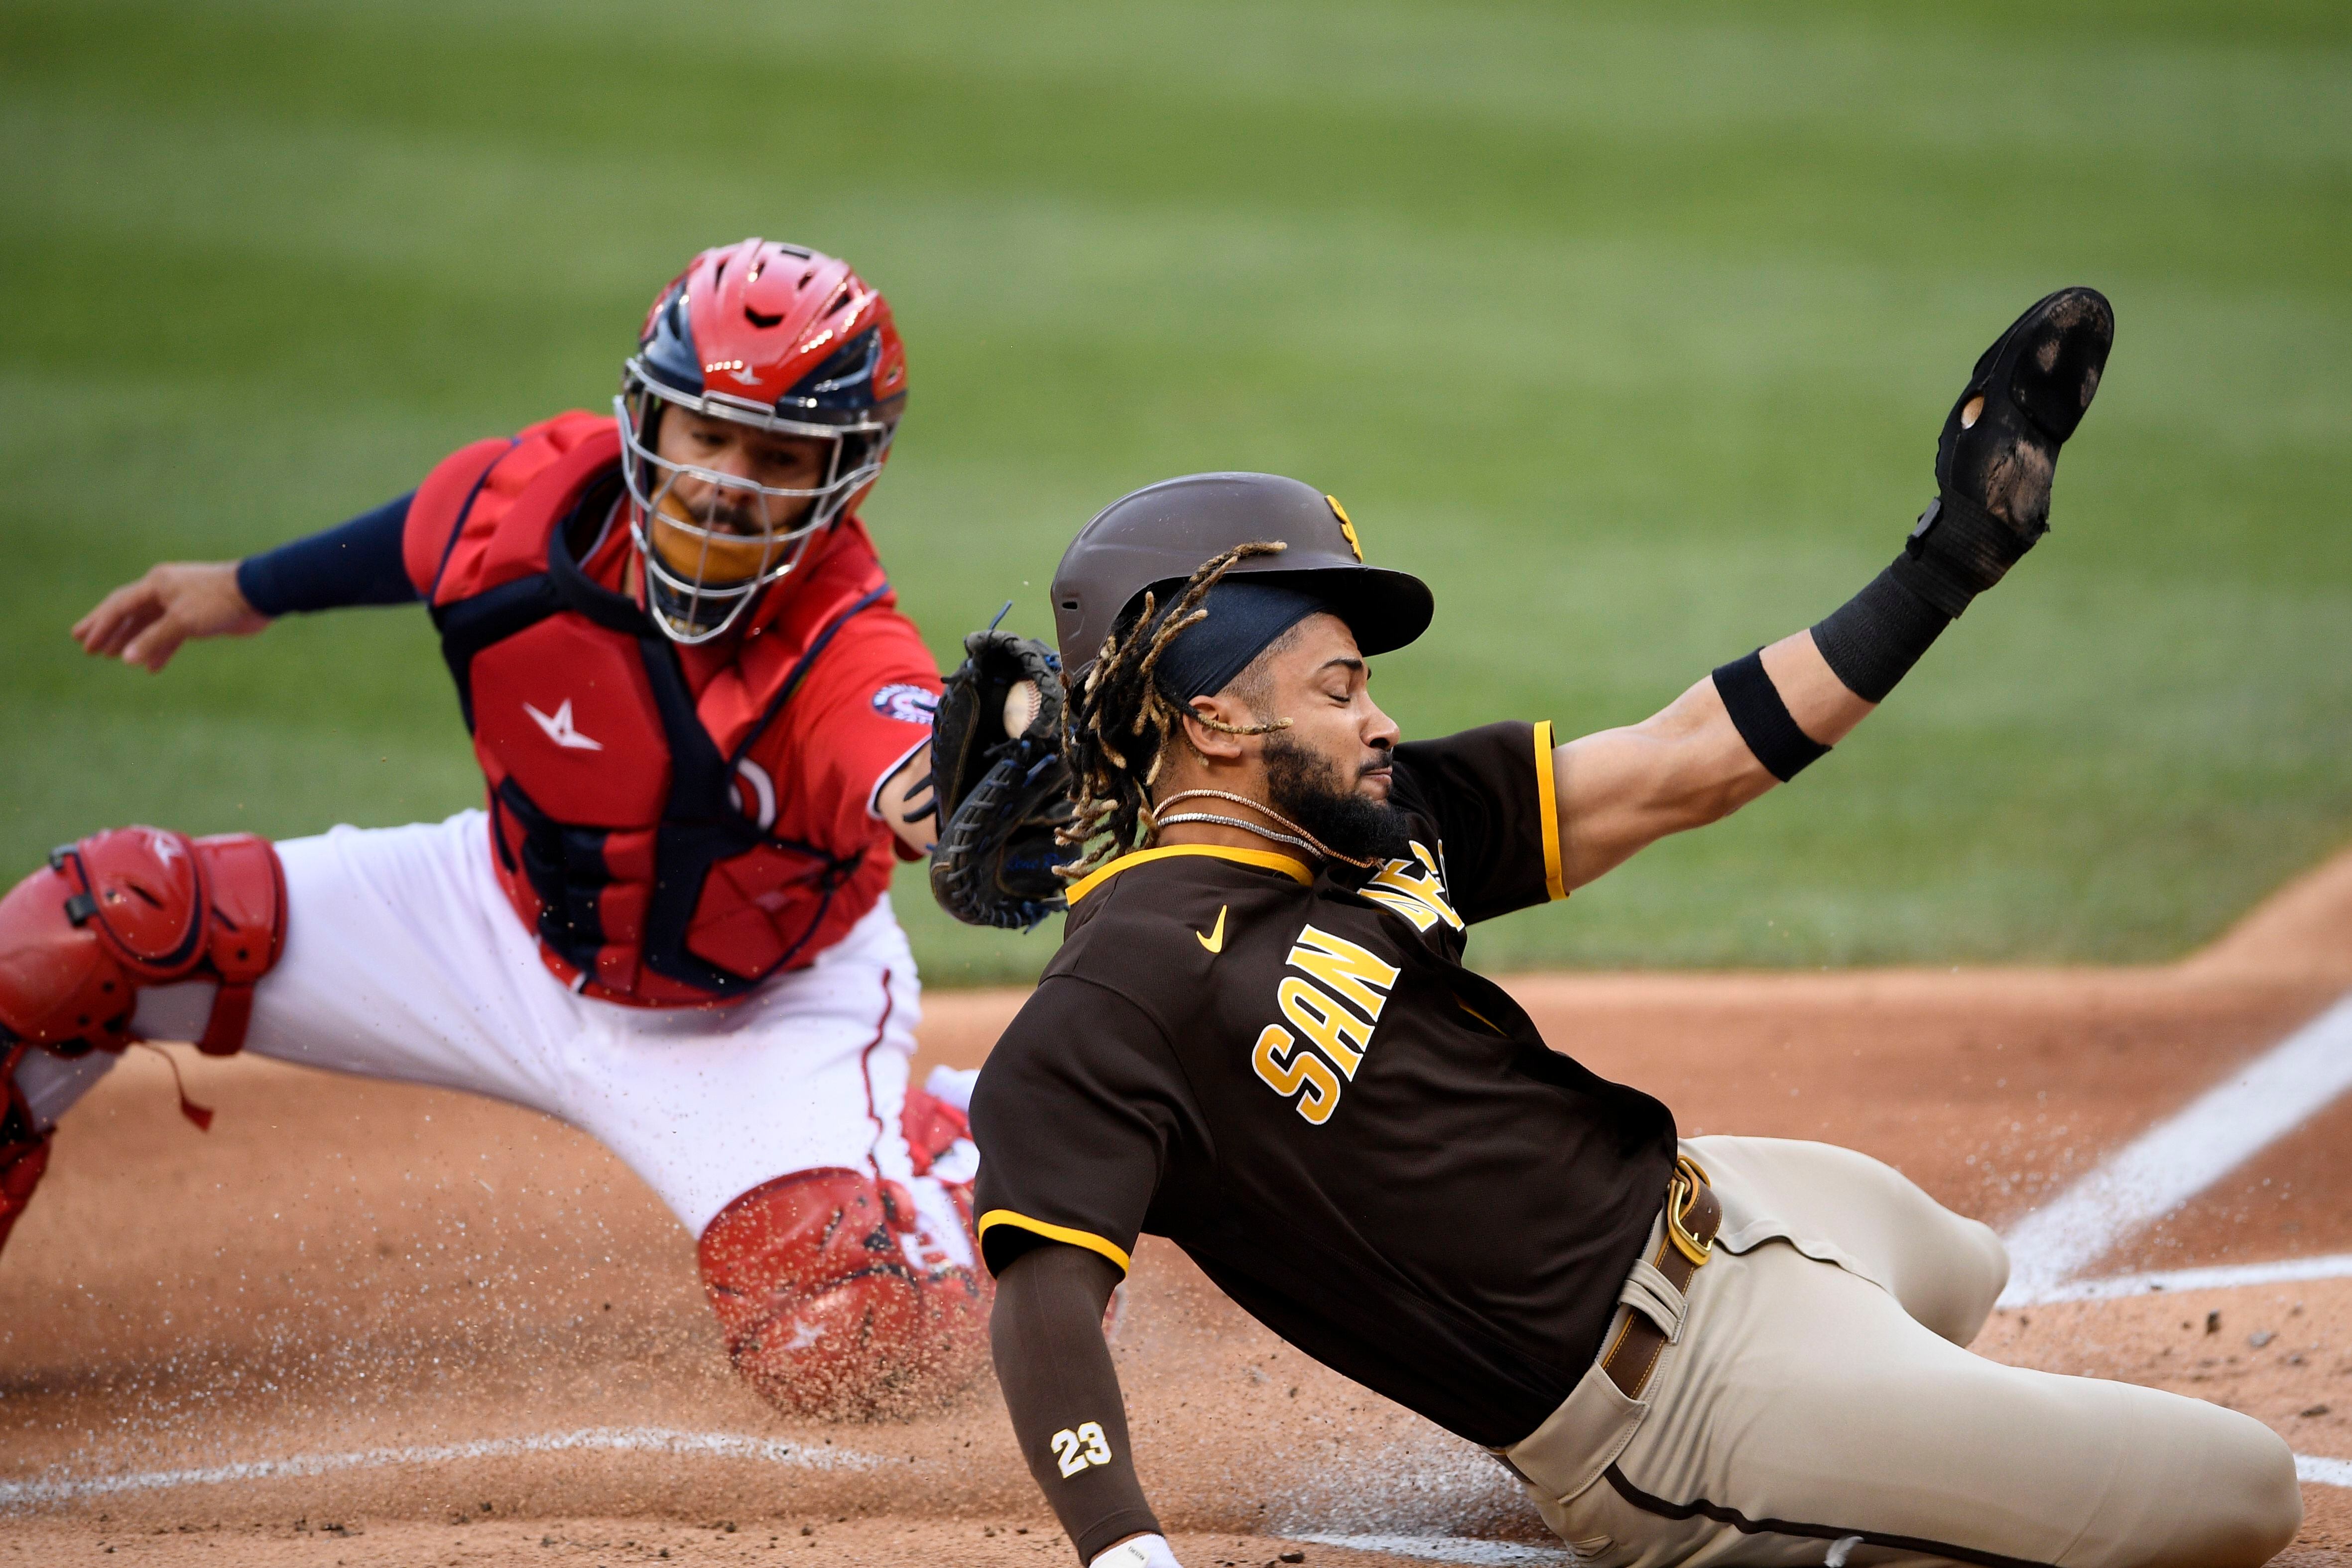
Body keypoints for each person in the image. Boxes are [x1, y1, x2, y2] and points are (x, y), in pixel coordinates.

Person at [972, 290, 2305, 1568]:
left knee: (1960, 1261)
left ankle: (1878, 1438)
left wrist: (1945, 564)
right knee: (2243, 1491)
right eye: (1338, 686)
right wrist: (1122, 1544)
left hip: (1724, 1211)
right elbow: (1043, 1293)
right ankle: (1818, 1514)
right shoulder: (1127, 987)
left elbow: (1687, 759)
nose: (1377, 718)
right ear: (1212, 718)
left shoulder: (1384, 816)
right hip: (1670, 1409)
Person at [0, 238, 993, 1419]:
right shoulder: (526, 506)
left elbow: (910, 759)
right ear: (648, 421)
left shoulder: (841, 639)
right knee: (94, 932)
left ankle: (965, 1152)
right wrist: (245, 588)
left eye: (778, 455)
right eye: (706, 435)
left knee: (849, 1343)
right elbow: (416, 535)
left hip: (757, 1005)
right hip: (493, 925)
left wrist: (974, 796)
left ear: (846, 478)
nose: (727, 481)